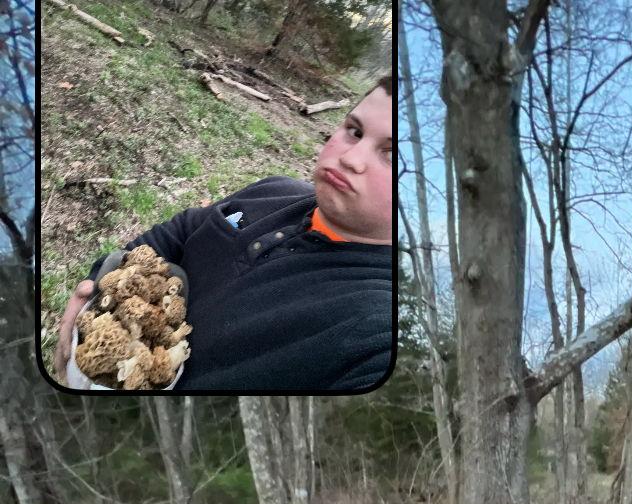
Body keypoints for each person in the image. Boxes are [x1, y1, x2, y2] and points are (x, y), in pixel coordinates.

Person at [49, 75, 393, 394]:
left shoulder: (376, 327)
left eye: (391, 154)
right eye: (355, 131)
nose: (352, 158)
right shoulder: (273, 190)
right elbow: (182, 230)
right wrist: (101, 283)